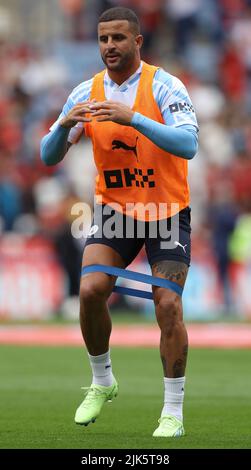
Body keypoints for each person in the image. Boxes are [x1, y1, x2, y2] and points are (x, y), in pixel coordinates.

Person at [41, 6, 198, 438]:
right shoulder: (84, 93)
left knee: (167, 305)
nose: (109, 46)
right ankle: (102, 381)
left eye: (118, 38)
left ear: (137, 42)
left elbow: (188, 144)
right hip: (115, 213)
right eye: (103, 39)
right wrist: (62, 129)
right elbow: (47, 155)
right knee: (90, 290)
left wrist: (134, 119)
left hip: (165, 212)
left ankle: (172, 412)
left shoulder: (165, 86)